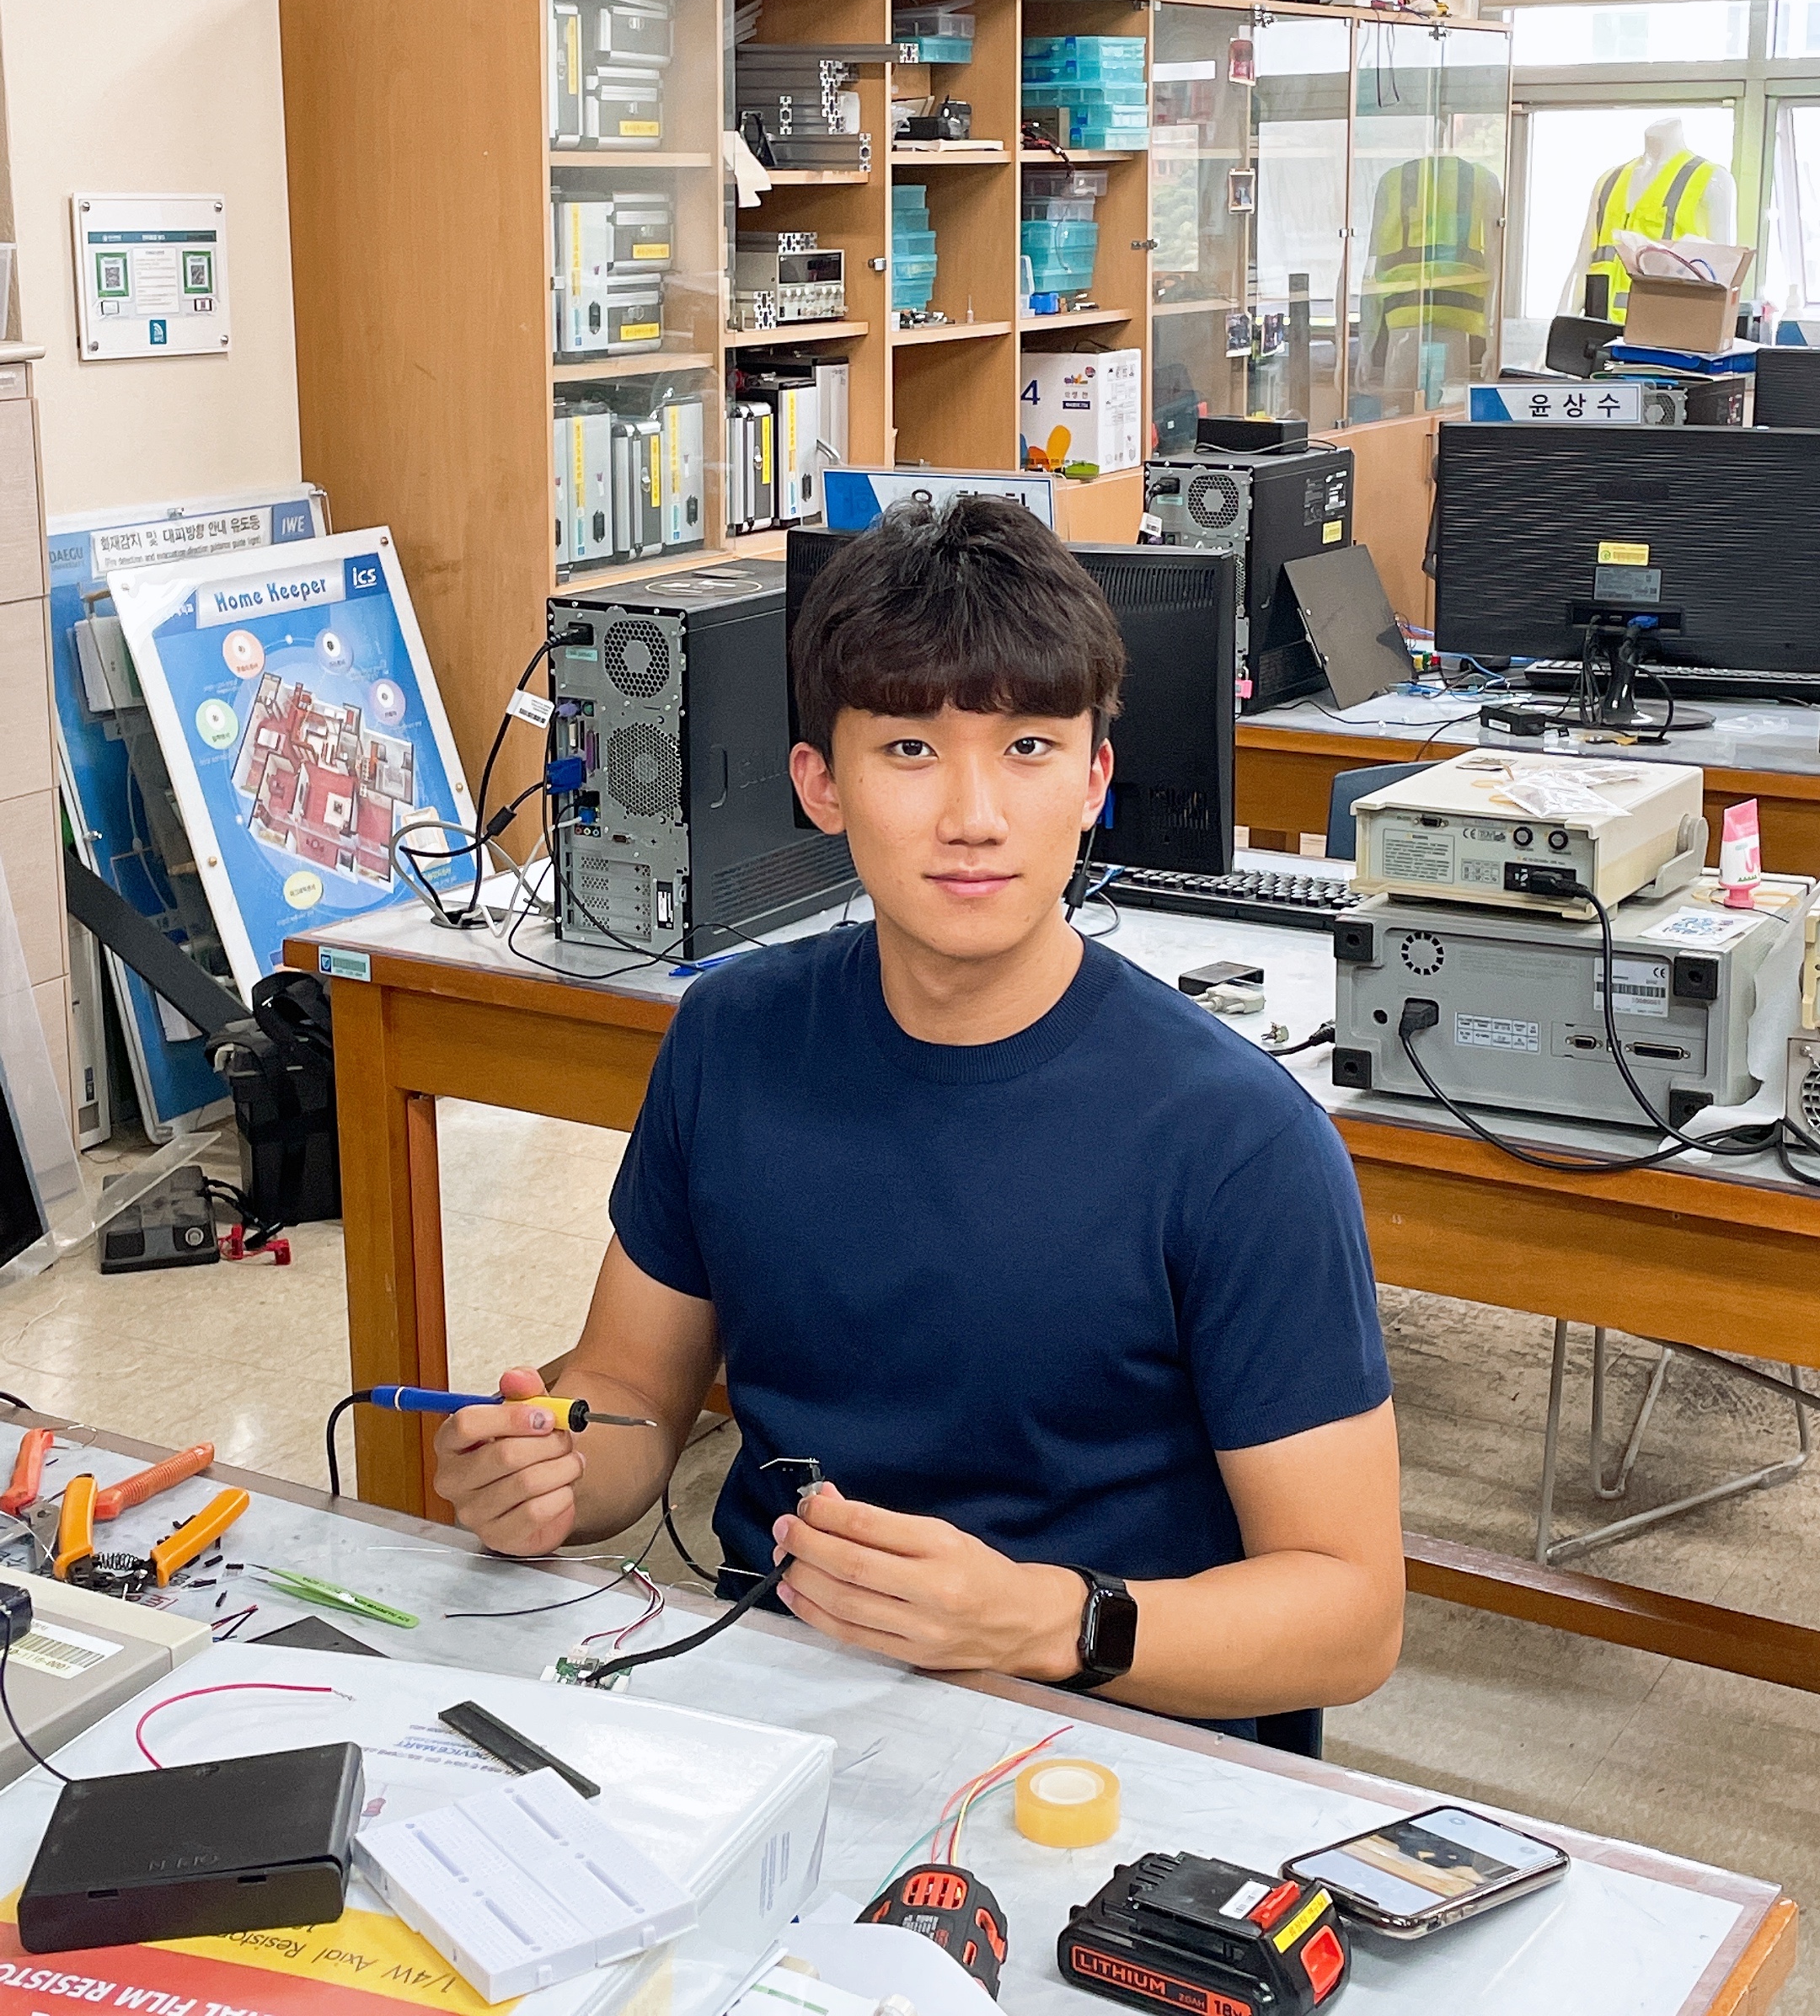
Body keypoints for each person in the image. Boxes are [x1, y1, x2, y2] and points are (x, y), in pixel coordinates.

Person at [435, 498, 1403, 1725]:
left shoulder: (1239, 1142)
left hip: (1104, 1739)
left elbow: (1352, 1616)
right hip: (784, 1692)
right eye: (908, 750)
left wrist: (1040, 1621)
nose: (973, 817)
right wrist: (554, 1471)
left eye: (1028, 747)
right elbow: (629, 1385)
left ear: (1096, 778)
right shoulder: (731, 1040)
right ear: (820, 784)